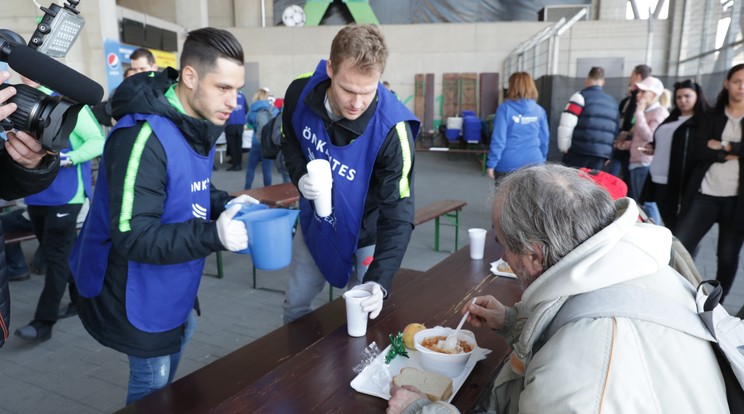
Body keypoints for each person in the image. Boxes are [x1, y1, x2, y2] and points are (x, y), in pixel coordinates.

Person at [387, 164, 728, 414]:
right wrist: (511, 321)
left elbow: (585, 363)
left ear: (534, 255)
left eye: (502, 243)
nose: (502, 254)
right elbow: (576, 314)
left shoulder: (580, 374)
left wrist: (418, 410)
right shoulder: (638, 266)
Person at [69, 27, 253, 404]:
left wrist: (227, 203)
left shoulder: (192, 124)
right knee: (152, 382)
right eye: (223, 88)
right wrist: (213, 236)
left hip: (172, 277)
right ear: (189, 77)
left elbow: (186, 189)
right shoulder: (142, 136)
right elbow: (133, 235)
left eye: (237, 89)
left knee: (184, 334)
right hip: (132, 287)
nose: (234, 101)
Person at [280, 24, 419, 324]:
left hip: (367, 230)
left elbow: (399, 214)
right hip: (315, 221)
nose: (357, 103)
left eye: (368, 92)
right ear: (330, 68)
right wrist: (300, 176)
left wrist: (379, 282)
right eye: (348, 89)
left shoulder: (393, 130)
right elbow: (289, 142)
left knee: (364, 317)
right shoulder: (299, 92)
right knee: (295, 306)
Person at [13, 75, 105, 342]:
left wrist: (69, 158)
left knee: (55, 260)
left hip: (66, 198)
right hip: (35, 198)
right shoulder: (17, 97)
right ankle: (80, 301)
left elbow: (98, 141)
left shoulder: (66, 101)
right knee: (63, 255)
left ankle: (43, 322)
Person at [0, 70, 61, 349]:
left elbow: (5, 182)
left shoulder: (54, 103)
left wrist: (32, 164)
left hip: (63, 199)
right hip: (42, 205)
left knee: (59, 258)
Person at [676, 64, 744, 300]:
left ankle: (717, 305)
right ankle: (676, 294)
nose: (741, 86)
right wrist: (735, 151)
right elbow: (699, 151)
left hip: (736, 201)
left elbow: (711, 148)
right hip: (704, 194)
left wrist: (722, 145)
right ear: (727, 83)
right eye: (737, 81)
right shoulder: (710, 116)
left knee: (727, 256)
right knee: (679, 246)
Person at [642, 79, 710, 233]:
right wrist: (652, 147)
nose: (682, 100)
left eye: (687, 96)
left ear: (697, 96)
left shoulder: (702, 122)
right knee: (670, 224)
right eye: (679, 97)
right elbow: (665, 142)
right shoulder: (671, 119)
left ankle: (681, 255)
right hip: (658, 179)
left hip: (680, 182)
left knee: (682, 227)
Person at [613, 76, 669, 224]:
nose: (638, 95)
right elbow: (641, 140)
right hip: (638, 162)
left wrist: (639, 113)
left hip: (645, 164)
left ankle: (655, 234)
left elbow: (650, 137)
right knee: (642, 203)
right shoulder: (648, 112)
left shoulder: (658, 112)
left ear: (654, 95)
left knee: (648, 203)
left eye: (643, 92)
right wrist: (625, 145)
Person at [486, 72, 548, 181]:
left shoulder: (505, 109)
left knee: (506, 198)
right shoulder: (539, 110)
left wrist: (491, 163)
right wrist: (542, 159)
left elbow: (499, 139)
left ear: (512, 87)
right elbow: (544, 139)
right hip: (535, 162)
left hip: (508, 164)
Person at [557, 66, 619, 170]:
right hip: (601, 154)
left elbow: (567, 122)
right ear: (603, 82)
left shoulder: (579, 97)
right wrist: (609, 153)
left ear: (587, 79)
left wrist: (564, 146)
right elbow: (615, 131)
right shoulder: (612, 102)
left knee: (572, 182)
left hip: (578, 151)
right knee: (592, 184)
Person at [607, 64, 652, 181]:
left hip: (635, 148)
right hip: (624, 142)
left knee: (629, 178)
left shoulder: (645, 104)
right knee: (615, 172)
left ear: (637, 76)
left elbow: (636, 122)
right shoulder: (629, 98)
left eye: (632, 74)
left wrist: (626, 135)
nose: (639, 96)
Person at [243, 87, 277, 188]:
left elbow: (248, 122)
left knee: (251, 167)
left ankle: (247, 189)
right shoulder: (272, 109)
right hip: (268, 143)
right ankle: (268, 189)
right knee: (267, 168)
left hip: (256, 141)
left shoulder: (252, 110)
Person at [224, 90, 247, 171]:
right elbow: (246, 108)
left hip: (230, 123)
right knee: (238, 145)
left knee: (232, 145)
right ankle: (239, 164)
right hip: (240, 123)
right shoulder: (242, 96)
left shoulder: (227, 95)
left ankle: (235, 164)